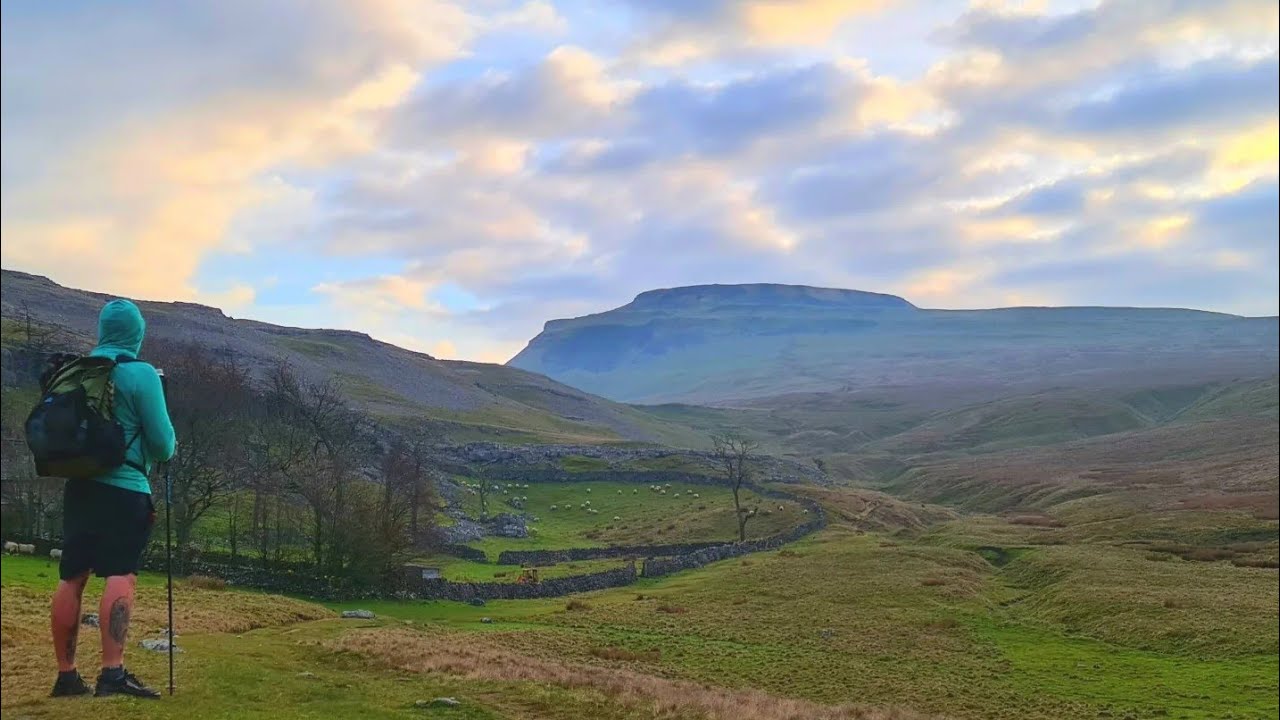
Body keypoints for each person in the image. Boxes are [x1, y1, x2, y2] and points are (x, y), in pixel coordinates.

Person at [49, 299, 176, 699]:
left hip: (80, 485)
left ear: (103, 330)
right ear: (136, 333)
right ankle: (112, 674)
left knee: (72, 576)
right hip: (126, 489)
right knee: (121, 574)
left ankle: (66, 676)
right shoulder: (140, 375)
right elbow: (162, 442)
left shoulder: (77, 371)